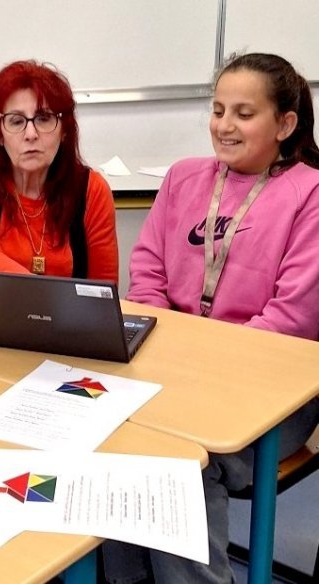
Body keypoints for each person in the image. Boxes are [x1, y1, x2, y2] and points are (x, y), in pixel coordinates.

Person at [104, 53, 319, 583]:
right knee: (106, 430)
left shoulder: (311, 193)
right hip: (172, 370)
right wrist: (164, 351)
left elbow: (291, 318)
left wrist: (197, 364)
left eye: (244, 114)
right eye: (218, 110)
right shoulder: (183, 177)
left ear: (285, 124)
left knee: (183, 463)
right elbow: (148, 272)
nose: (224, 125)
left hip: (270, 386)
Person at [0, 60, 119, 281]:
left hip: (65, 307)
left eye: (44, 118)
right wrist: (46, 296)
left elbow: (103, 288)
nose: (31, 134)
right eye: (16, 121)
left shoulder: (92, 190)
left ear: (64, 130)